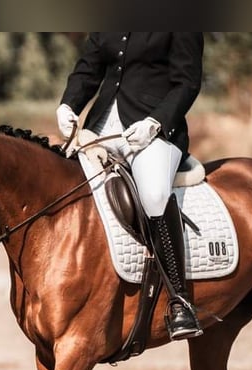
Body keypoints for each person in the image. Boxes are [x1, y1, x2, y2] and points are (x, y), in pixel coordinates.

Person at [56, 33, 204, 340]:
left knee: (153, 194)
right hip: (100, 128)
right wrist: (68, 105)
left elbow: (187, 82)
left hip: (152, 131)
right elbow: (89, 68)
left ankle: (180, 300)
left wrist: (156, 122)